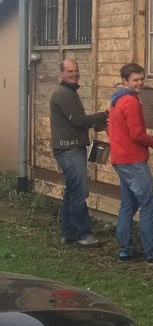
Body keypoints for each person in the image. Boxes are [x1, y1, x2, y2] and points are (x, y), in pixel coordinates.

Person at [108, 63, 153, 265]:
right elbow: (137, 134)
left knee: (128, 205)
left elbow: (116, 129)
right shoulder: (131, 101)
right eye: (135, 80)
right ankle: (152, 254)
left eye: (142, 79)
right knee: (147, 206)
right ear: (125, 81)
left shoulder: (115, 100)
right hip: (133, 160)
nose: (140, 83)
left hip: (120, 158)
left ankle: (125, 250)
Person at [49, 59, 108, 247]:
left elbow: (77, 121)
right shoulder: (63, 94)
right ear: (61, 74)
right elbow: (78, 120)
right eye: (69, 71)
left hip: (72, 148)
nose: (74, 74)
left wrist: (94, 123)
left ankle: (68, 233)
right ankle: (83, 234)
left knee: (72, 190)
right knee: (80, 191)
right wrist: (106, 115)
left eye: (76, 70)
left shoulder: (70, 93)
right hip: (69, 150)